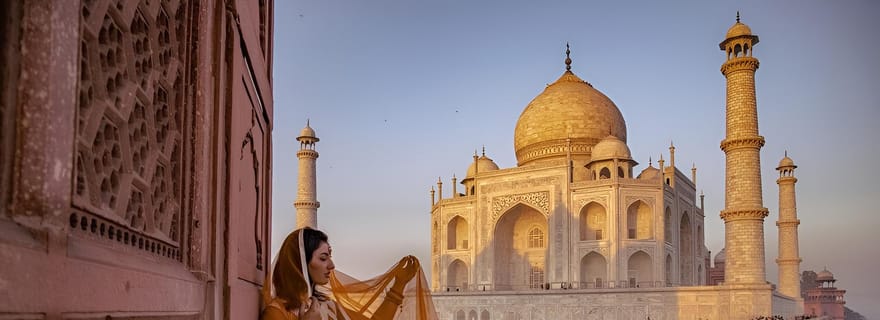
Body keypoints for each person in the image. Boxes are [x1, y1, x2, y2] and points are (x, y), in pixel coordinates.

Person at [261, 227, 436, 320]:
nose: (331, 265)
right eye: (323, 258)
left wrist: (398, 284)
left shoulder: (325, 307)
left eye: (330, 256)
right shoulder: (277, 313)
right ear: (299, 263)